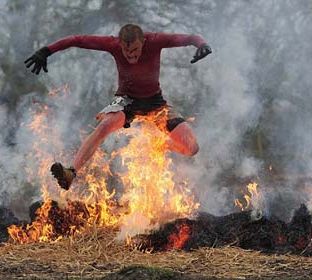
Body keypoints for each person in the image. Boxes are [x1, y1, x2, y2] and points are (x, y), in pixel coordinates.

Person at [25, 24, 212, 190]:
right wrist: (46, 50)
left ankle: (159, 145)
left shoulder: (155, 41)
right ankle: (71, 173)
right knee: (105, 126)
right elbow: (77, 40)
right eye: (127, 51)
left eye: (136, 50)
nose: (131, 55)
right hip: (126, 100)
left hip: (155, 103)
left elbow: (189, 38)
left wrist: (201, 44)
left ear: (143, 42)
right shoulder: (112, 44)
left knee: (191, 147)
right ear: (120, 44)